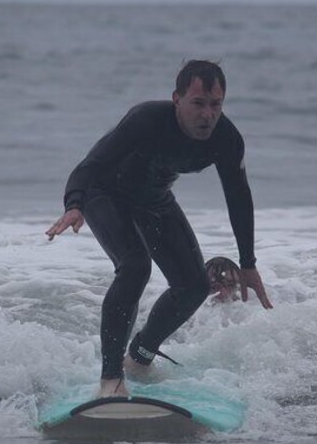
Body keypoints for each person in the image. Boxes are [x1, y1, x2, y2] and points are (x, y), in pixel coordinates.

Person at [46, 60, 272, 398]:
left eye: (215, 104)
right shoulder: (146, 120)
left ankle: (138, 359)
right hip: (104, 193)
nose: (208, 115)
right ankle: (110, 381)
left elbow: (239, 198)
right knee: (135, 266)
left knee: (193, 287)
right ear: (177, 99)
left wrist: (249, 262)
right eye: (198, 103)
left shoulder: (226, 139)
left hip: (154, 199)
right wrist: (74, 204)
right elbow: (90, 165)